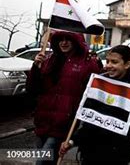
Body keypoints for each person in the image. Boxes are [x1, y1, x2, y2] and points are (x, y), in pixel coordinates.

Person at [58, 45, 130, 164]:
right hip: (89, 152)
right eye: (108, 61)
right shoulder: (98, 83)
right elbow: (88, 120)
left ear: (127, 64)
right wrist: (72, 141)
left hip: (117, 155)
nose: (108, 65)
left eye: (114, 62)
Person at [26, 31, 100, 164]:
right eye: (61, 39)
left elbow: (94, 91)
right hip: (43, 119)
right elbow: (33, 89)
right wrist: (35, 67)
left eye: (68, 39)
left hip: (63, 123)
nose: (64, 42)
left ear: (76, 41)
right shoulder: (48, 60)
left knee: (42, 161)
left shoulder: (87, 63)